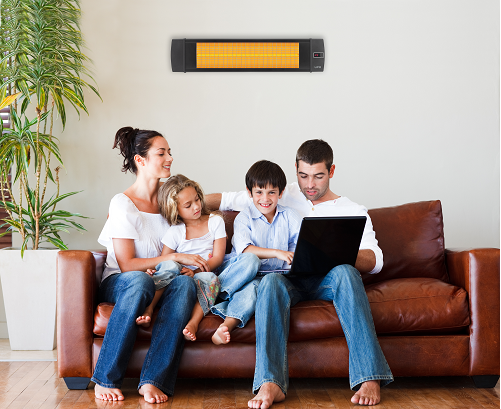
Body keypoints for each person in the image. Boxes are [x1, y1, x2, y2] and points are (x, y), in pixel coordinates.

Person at [206, 139, 394, 408]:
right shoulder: (281, 192)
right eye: (303, 175)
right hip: (287, 278)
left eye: (318, 176)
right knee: (269, 282)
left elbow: (376, 261)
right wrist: (180, 205)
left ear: (331, 171)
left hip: (326, 279)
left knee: (346, 272)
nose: (310, 185)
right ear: (295, 169)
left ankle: (369, 377)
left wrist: (336, 249)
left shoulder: (352, 210)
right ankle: (270, 383)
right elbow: (226, 199)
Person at [93, 127, 210, 404]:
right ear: (140, 160)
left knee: (184, 283)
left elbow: (203, 201)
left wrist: (253, 200)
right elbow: (127, 264)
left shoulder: (169, 201)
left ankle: (152, 380)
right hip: (123, 282)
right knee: (139, 280)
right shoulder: (123, 204)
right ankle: (105, 379)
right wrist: (172, 258)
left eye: (169, 152)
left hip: (161, 280)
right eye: (162, 153)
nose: (169, 157)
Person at [211, 160, 301, 344]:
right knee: (251, 259)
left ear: (281, 193)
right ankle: (216, 290)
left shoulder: (290, 216)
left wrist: (294, 259)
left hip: (264, 278)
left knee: (252, 290)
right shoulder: (244, 218)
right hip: (239, 272)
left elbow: (298, 250)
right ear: (249, 192)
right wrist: (277, 253)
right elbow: (246, 250)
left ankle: (225, 327)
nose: (265, 199)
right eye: (259, 192)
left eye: (271, 193)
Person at [137, 174, 226, 341]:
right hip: (179, 279)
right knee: (170, 266)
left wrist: (197, 271)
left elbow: (218, 258)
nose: (196, 207)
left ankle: (193, 322)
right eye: (188, 205)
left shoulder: (215, 222)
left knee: (212, 279)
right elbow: (165, 260)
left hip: (203, 274)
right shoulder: (175, 231)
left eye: (197, 199)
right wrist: (155, 271)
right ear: (175, 210)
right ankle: (149, 309)